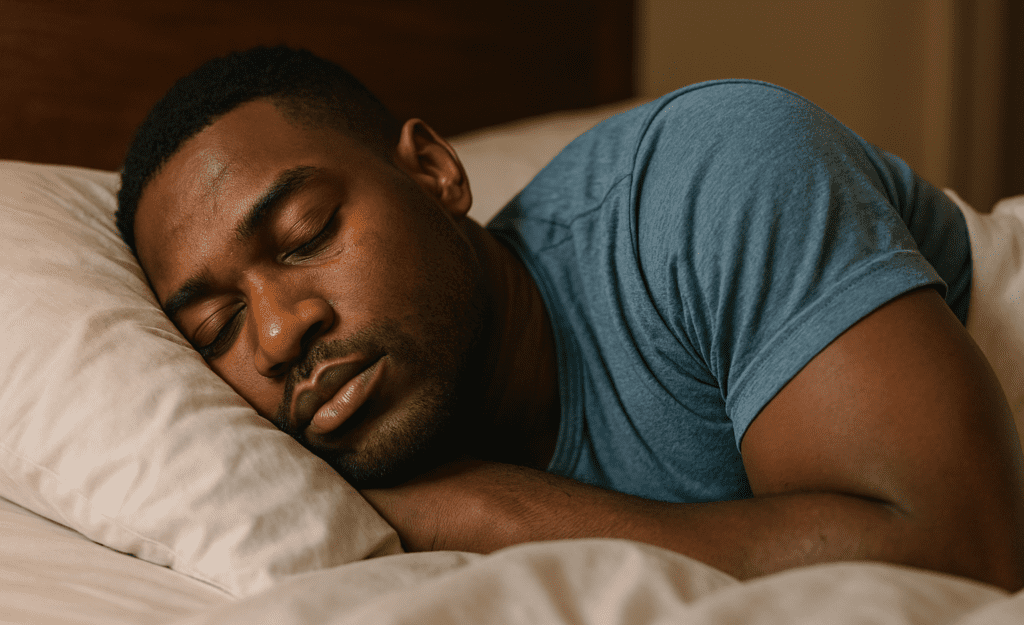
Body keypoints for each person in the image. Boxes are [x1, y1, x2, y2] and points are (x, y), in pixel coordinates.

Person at [116, 46, 1024, 591]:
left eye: (306, 233)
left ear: (435, 174)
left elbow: (963, 551)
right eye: (216, 328)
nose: (277, 334)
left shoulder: (711, 170)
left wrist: (475, 509)